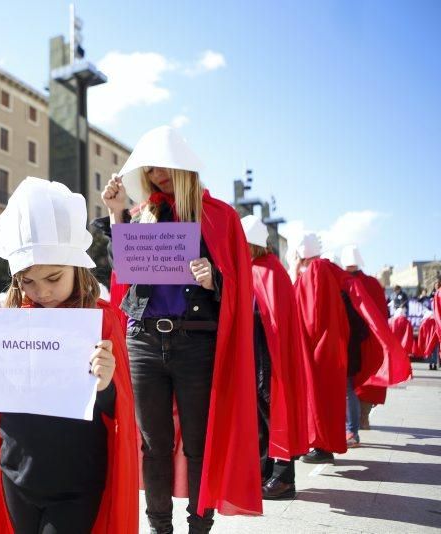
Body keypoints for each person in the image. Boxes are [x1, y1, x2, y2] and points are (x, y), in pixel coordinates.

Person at [98, 125, 261, 532]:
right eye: (150, 168)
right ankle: (160, 528)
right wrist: (117, 212)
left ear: (186, 166)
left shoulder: (220, 216)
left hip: (196, 343)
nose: (158, 174)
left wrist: (214, 280)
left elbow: (240, 289)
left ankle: (198, 528)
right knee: (152, 446)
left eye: (165, 166)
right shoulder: (140, 215)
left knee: (198, 443)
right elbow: (120, 270)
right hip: (144, 342)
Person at [0, 177, 138, 534]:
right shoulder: (4, 322)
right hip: (15, 474)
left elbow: (119, 412)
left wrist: (106, 384)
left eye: (53, 278)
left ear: (77, 270)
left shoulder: (103, 320)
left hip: (77, 481)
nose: (43, 292)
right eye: (29, 282)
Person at [293, 234, 410, 462]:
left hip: (327, 348)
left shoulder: (317, 271)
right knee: (345, 392)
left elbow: (310, 314)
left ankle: (333, 440)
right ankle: (348, 431)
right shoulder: (337, 273)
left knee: (333, 395)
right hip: (342, 345)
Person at [241, 216, 309, 500]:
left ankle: (283, 478)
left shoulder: (270, 271)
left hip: (269, 358)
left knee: (273, 412)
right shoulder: (256, 270)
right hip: (257, 354)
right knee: (259, 417)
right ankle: (264, 473)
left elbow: (275, 321)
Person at [340, 245, 393, 430]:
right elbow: (383, 313)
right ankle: (363, 417)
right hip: (372, 339)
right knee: (367, 380)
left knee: (351, 382)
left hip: (350, 339)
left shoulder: (341, 282)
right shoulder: (372, 283)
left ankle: (355, 422)